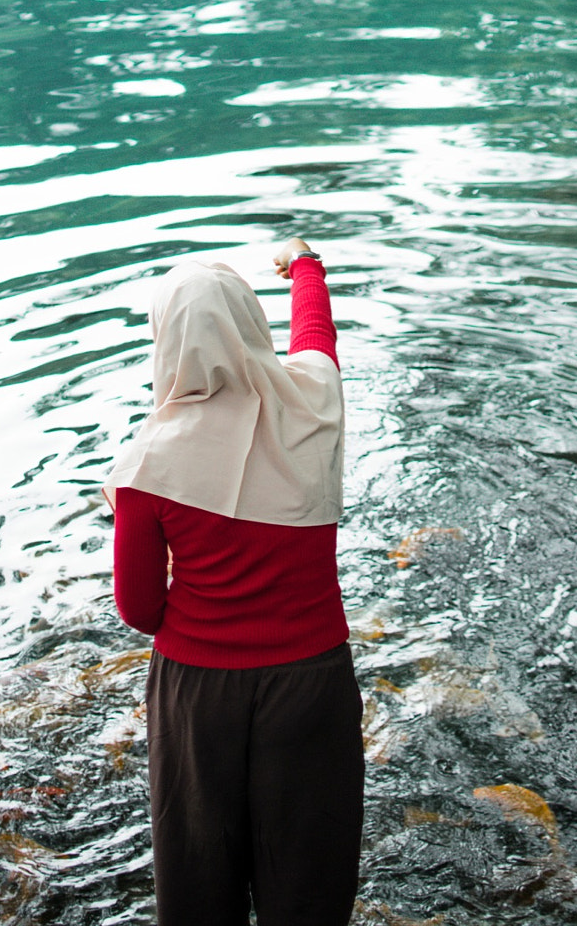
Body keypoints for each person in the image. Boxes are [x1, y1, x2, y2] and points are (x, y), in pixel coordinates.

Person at [103, 238, 363, 926]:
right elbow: (315, 329)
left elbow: (138, 608)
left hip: (198, 691)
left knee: (199, 866)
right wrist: (303, 264)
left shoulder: (146, 464)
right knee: (308, 866)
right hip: (312, 679)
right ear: (250, 322)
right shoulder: (315, 404)